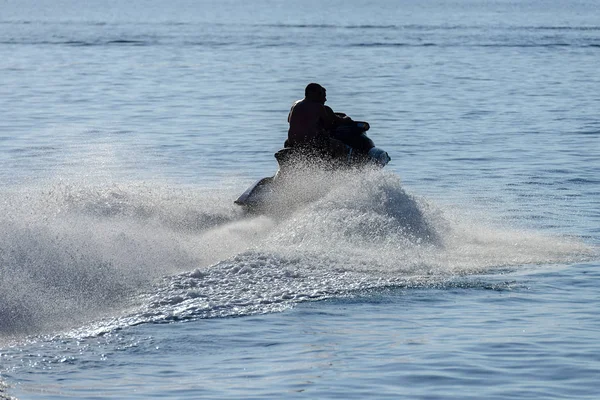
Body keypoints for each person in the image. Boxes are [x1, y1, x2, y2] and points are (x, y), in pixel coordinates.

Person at [285, 83, 348, 160]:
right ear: (312, 93)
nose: (322, 97)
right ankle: (339, 168)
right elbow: (329, 123)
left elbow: (289, 120)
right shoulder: (318, 107)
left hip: (293, 142)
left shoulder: (295, 104)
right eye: (320, 94)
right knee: (339, 146)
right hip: (311, 142)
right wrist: (344, 119)